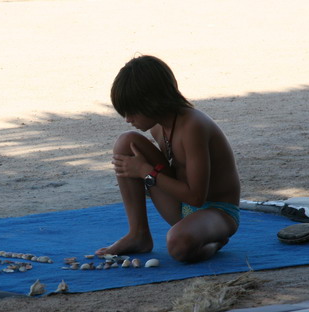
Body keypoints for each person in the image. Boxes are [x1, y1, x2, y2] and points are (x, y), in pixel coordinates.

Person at [95, 55, 241, 263]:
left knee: (178, 245)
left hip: (217, 212)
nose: (128, 119)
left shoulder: (193, 127)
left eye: (132, 111)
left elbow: (197, 197)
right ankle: (138, 234)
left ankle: (213, 244)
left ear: (152, 101)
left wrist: (146, 171)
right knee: (125, 143)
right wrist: (145, 170)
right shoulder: (157, 126)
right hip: (182, 207)